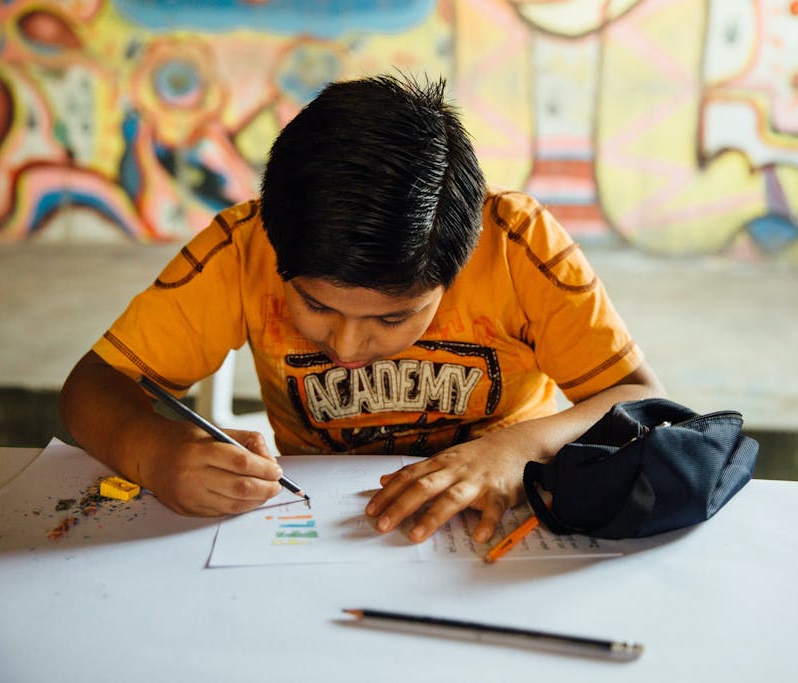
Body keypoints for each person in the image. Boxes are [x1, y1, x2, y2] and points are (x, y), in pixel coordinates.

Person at [59, 73, 665, 544]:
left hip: (489, 531)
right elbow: (91, 387)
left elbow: (636, 401)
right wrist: (156, 453)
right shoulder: (244, 248)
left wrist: (515, 451)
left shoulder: (516, 246)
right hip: (321, 526)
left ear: (458, 267)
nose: (346, 348)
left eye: (392, 318)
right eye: (315, 305)